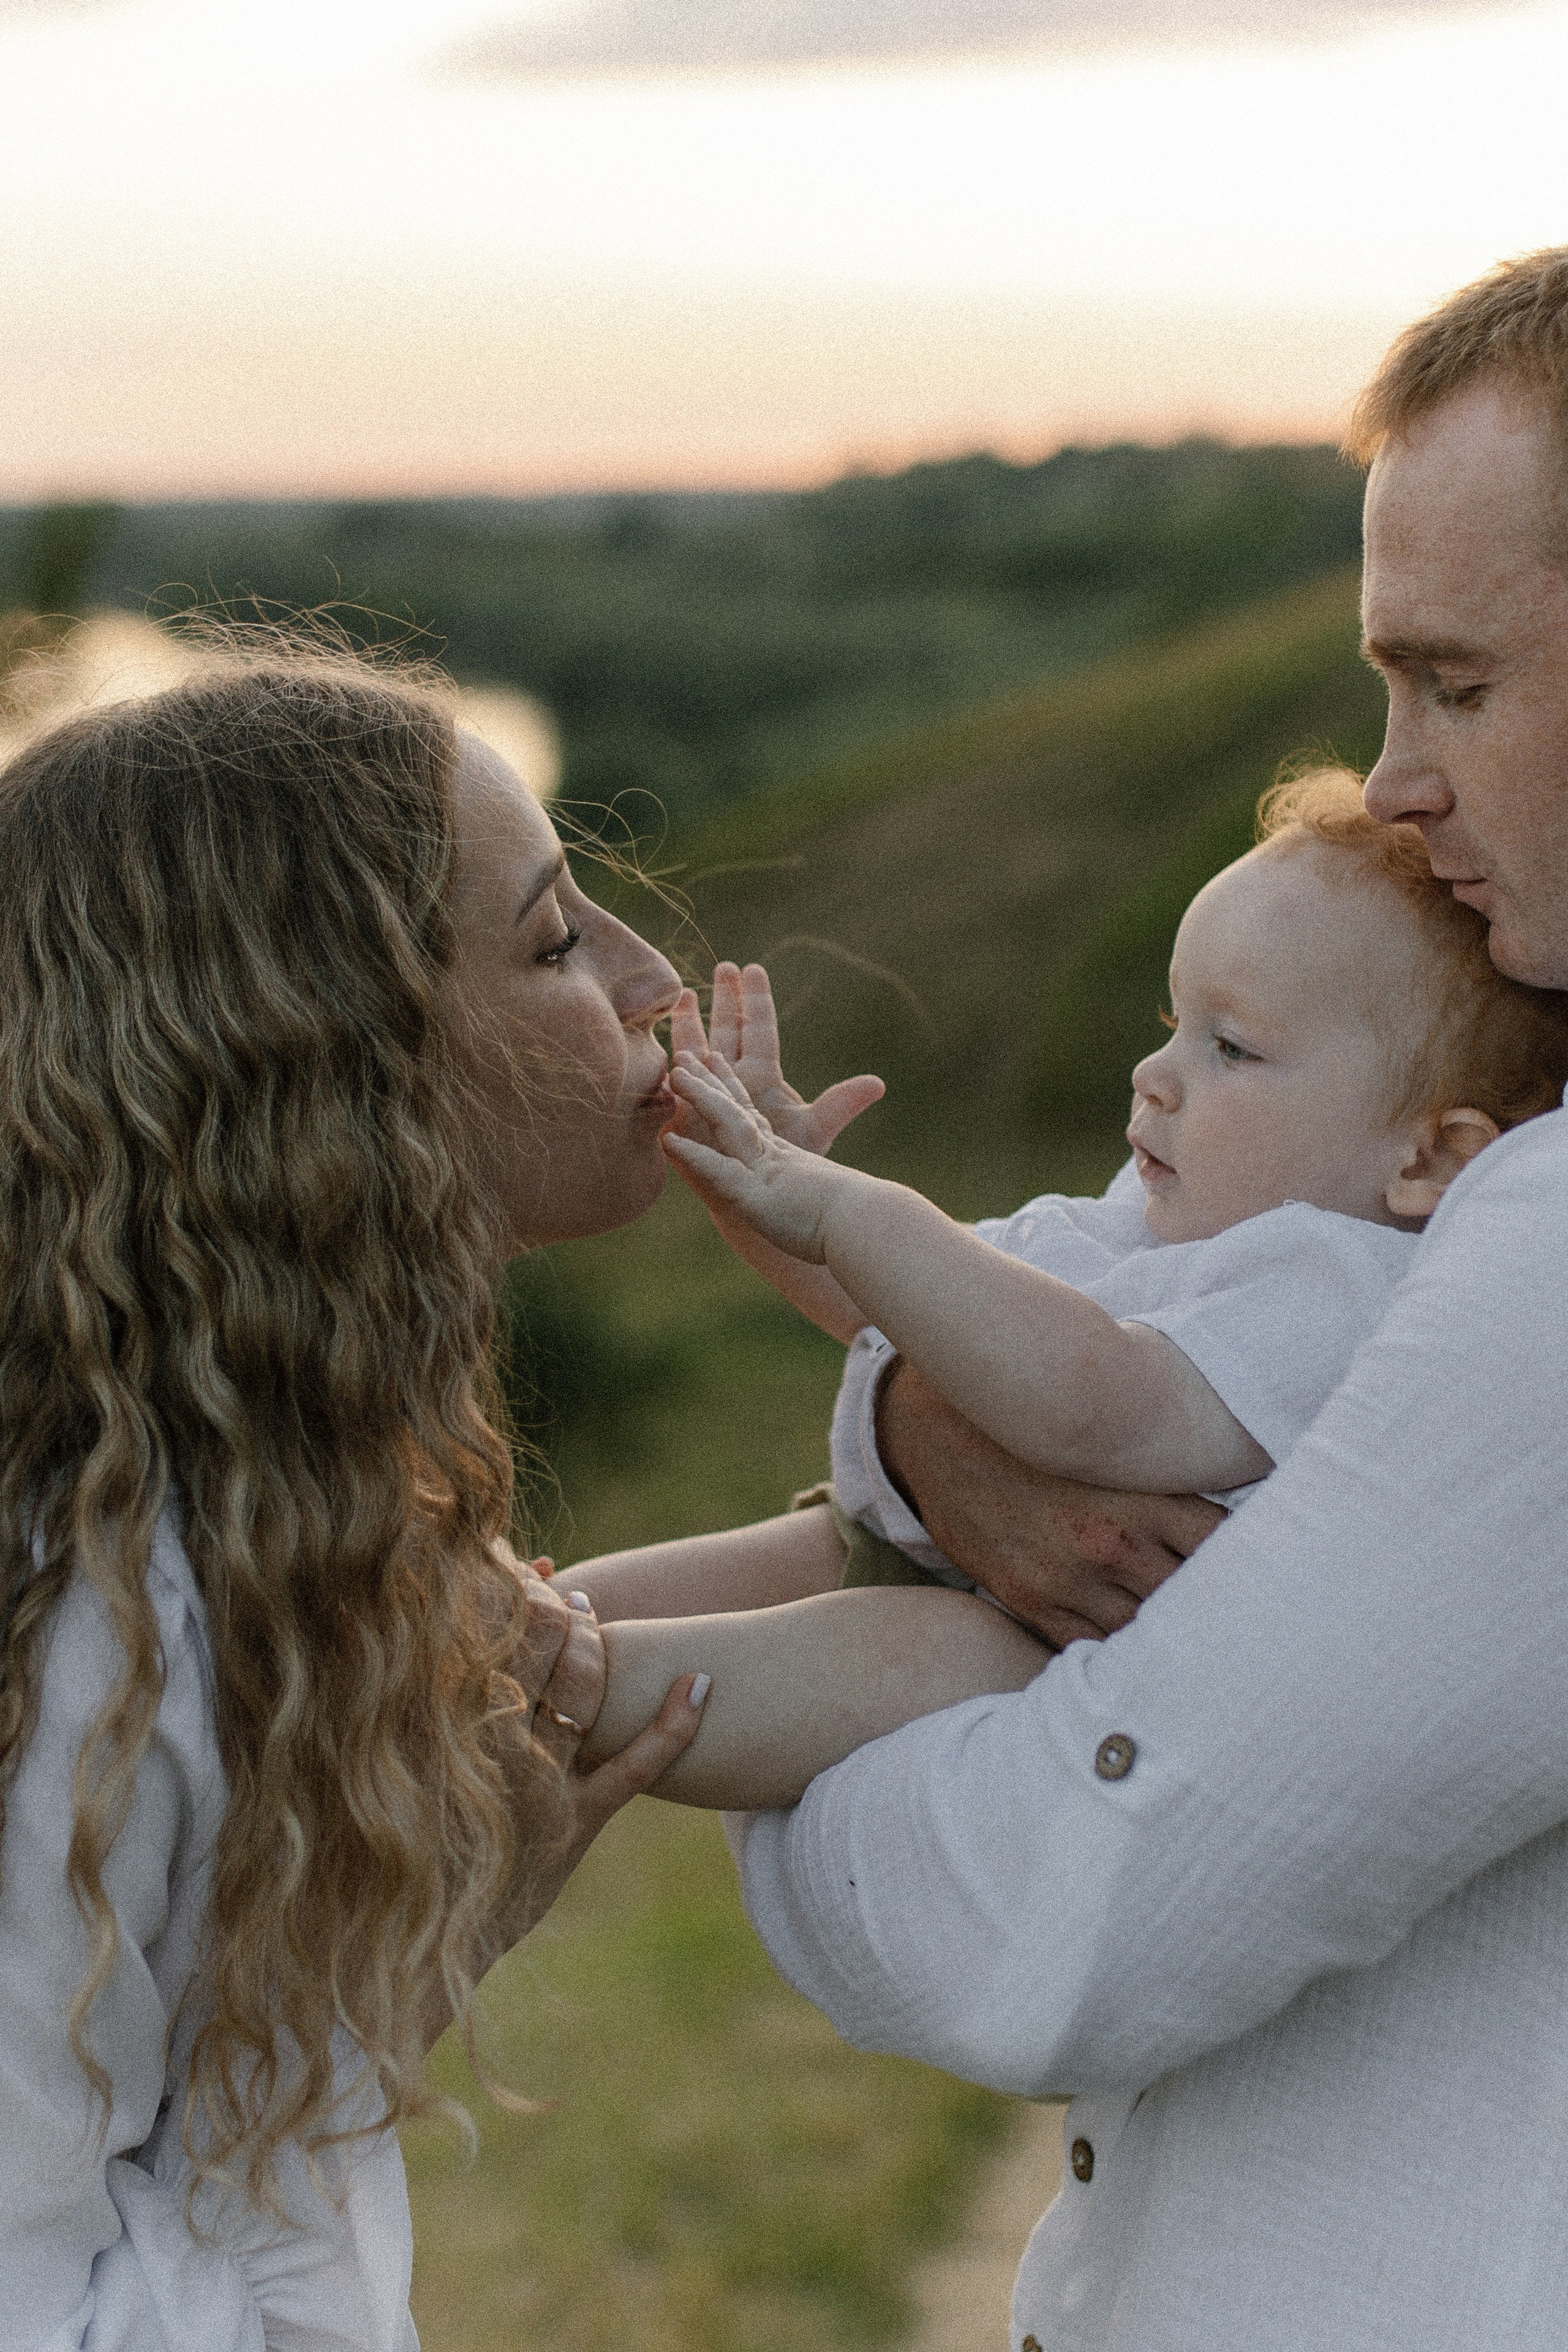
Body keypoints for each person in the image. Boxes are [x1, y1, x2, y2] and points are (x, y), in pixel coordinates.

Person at [714, 246, 1568, 2350]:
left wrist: (719, 1739)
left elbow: (1056, 1915)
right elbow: (1106, 1306)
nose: (1392, 780)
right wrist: (931, 1434)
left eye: (1456, 684)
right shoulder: (1478, 1090)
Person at [0, 654, 726, 2352]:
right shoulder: (88, 1635)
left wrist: (911, 1416)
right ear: (331, 1070)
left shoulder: (230, 1510)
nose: (651, 983)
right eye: (555, 944)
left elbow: (560, 1632)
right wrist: (358, 2017)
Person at [567, 768, 1568, 1817]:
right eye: (1173, 1021)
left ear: (1430, 1160)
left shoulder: (1341, 1284)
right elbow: (896, 1321)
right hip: (893, 1541)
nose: (1154, 1073)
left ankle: (552, 1695)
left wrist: (847, 1212)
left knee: (601, 1683)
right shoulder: (1152, 1219)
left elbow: (1099, 1409)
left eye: (1230, 1048)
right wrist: (757, 1184)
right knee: (557, 1614)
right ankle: (488, 1654)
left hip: (1003, 1639)